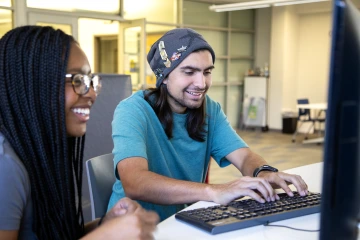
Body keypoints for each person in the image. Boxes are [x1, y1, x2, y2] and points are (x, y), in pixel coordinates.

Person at [107, 28, 309, 221]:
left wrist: (263, 173)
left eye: (207, 72)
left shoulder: (209, 109)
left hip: (184, 222)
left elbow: (244, 156)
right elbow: (135, 182)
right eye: (189, 72)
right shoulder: (132, 110)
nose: (201, 83)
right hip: (132, 228)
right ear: (164, 77)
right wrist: (213, 191)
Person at [0, 25, 158, 240]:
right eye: (76, 80)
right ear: (34, 84)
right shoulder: (5, 165)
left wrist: (106, 223)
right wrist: (105, 237)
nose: (92, 93)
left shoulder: (37, 153)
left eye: (91, 81)